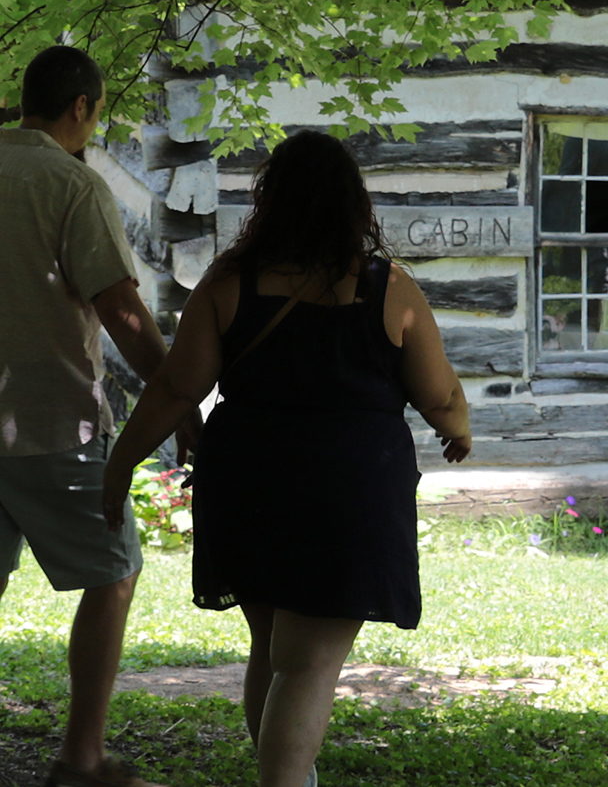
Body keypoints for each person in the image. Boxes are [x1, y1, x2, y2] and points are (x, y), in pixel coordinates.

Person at [103, 131, 472, 787]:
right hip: (347, 494)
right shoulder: (389, 290)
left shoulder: (229, 283)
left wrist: (119, 465)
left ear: (270, 202)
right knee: (305, 666)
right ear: (352, 206)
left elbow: (175, 389)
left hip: (247, 485)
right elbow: (439, 396)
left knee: (276, 655)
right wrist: (460, 423)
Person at [0, 46, 199, 787]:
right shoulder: (68, 182)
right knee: (113, 574)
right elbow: (119, 306)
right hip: (52, 420)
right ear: (80, 107)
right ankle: (80, 759)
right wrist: (173, 395)